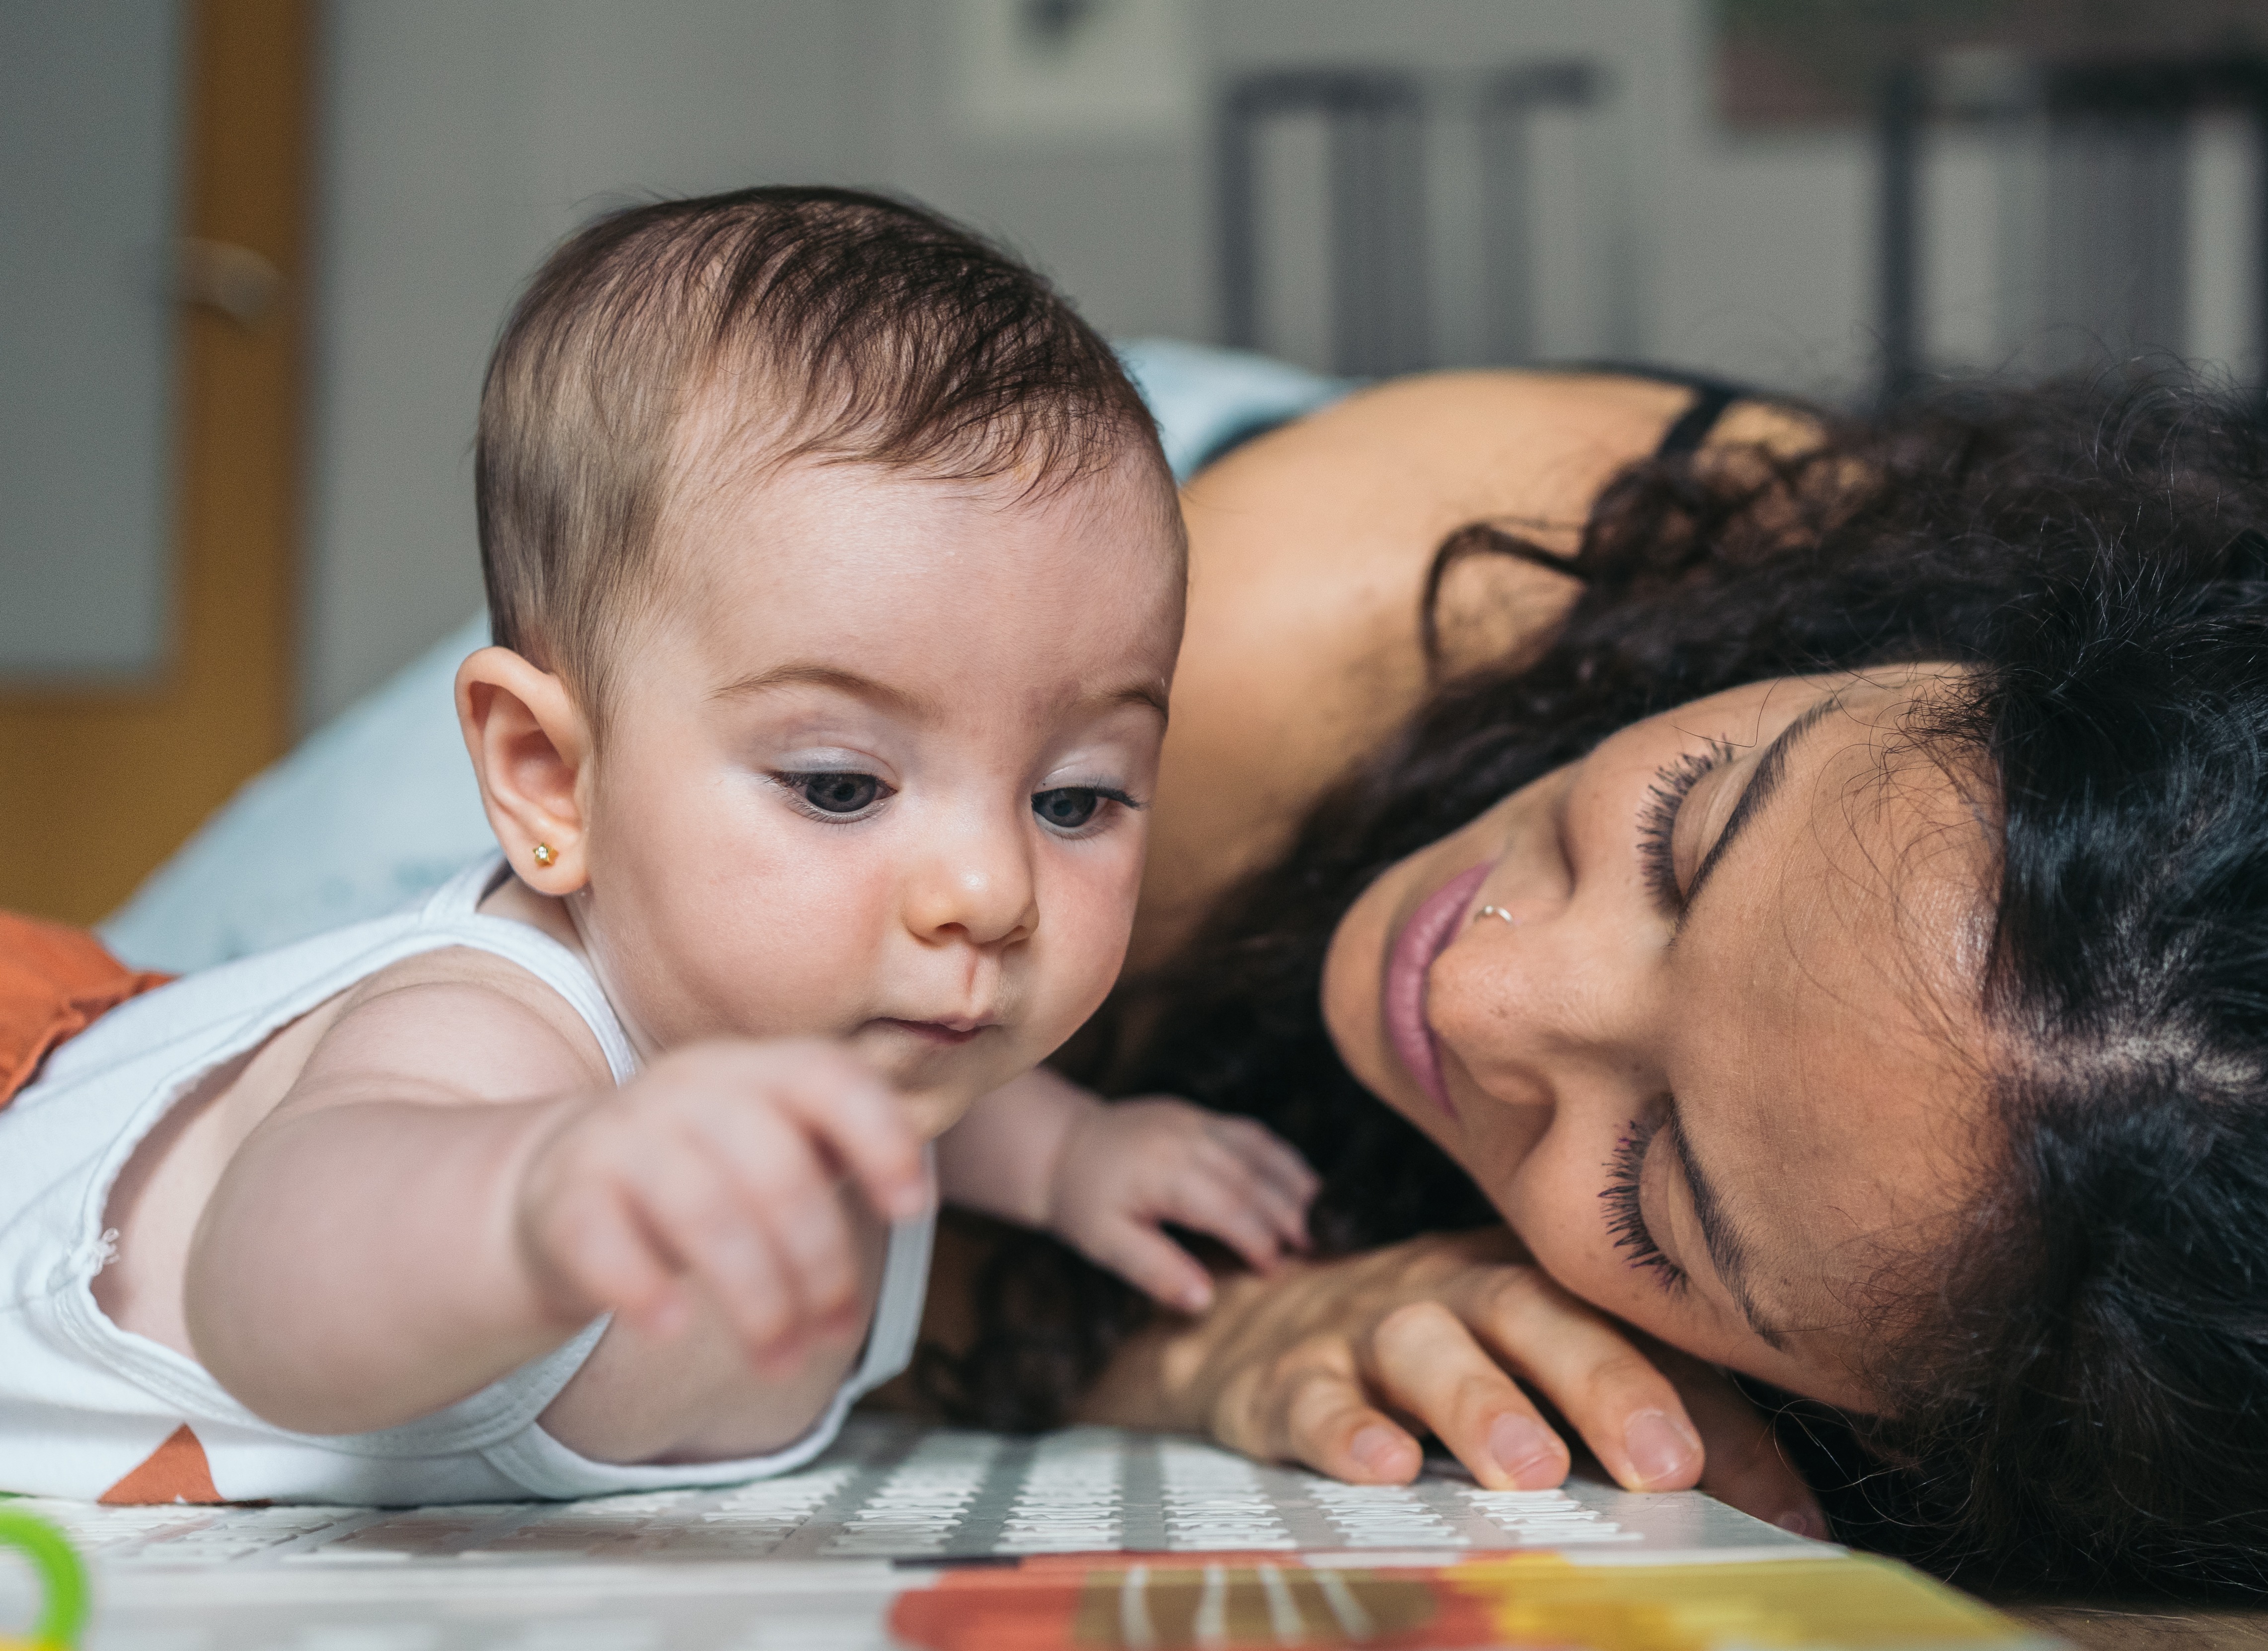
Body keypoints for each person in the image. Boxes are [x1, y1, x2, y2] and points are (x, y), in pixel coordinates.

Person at [915, 360, 2268, 1595]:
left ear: (1892, 1439)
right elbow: (791, 1158)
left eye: (1658, 1190)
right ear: (1943, 654)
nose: (1473, 993)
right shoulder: (1254, 637)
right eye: (1681, 839)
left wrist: (1214, 1339)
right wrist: (1184, 1336)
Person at [0, 189, 1311, 1505]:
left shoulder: (863, 1047)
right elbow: (279, 1284)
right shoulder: (492, 1040)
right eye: (841, 786)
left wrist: (1074, 1160)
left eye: (1076, 800)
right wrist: (533, 1196)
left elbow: (907, 1118)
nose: (988, 891)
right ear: (550, 779)